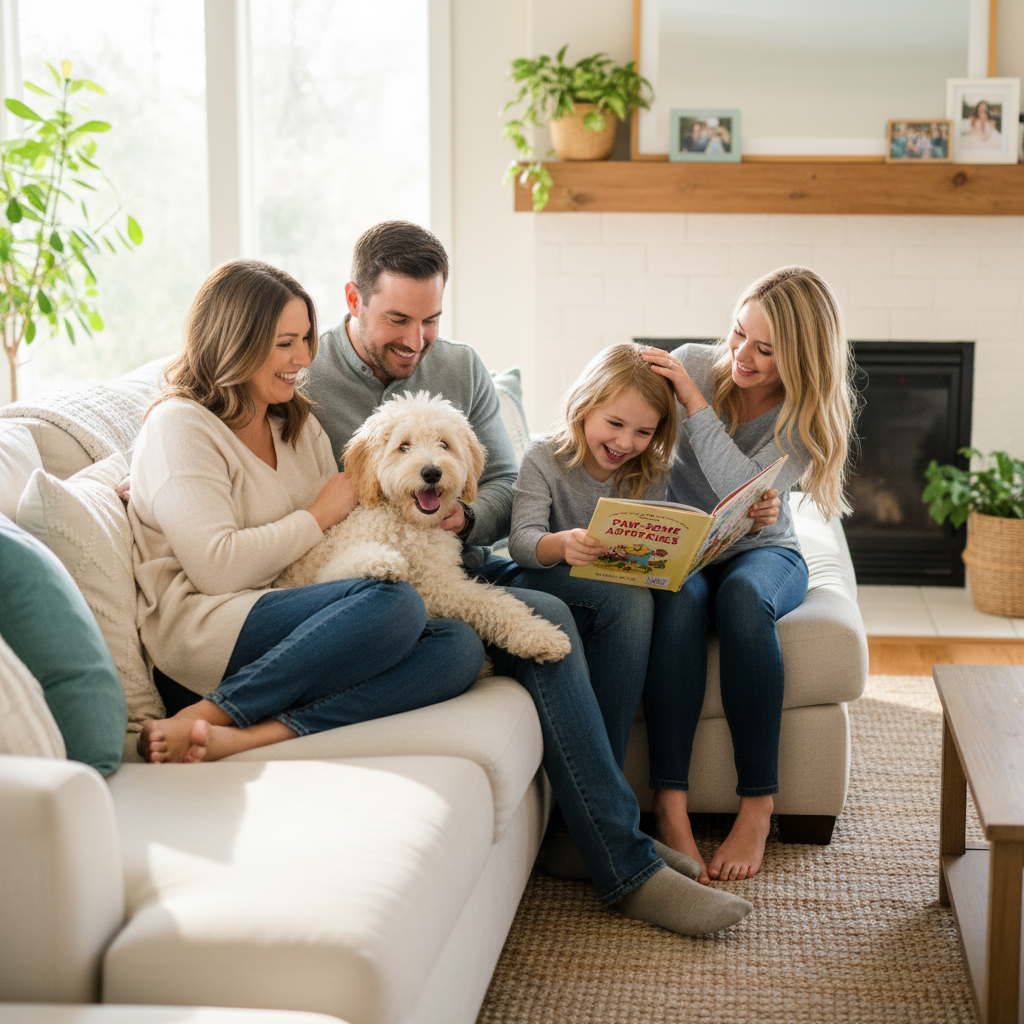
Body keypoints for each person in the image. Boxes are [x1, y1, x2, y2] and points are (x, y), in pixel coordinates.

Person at [304, 220, 753, 936]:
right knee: (558, 622)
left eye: (430, 320)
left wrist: (464, 517)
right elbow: (214, 399)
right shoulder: (305, 378)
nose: (417, 342)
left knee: (620, 600)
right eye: (397, 320)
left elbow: (506, 482)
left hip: (471, 556)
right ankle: (623, 859)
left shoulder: (459, 367)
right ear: (354, 299)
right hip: (386, 585)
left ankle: (585, 828)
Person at [129, 259, 486, 764]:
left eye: (305, 339)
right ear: (233, 342)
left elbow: (341, 534)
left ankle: (254, 735)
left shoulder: (295, 422)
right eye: (283, 343)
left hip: (301, 608)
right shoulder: (180, 426)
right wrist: (318, 513)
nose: (303, 358)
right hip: (209, 630)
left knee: (459, 646)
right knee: (396, 602)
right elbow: (217, 570)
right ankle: (208, 713)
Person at [641, 266, 856, 886]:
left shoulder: (805, 421)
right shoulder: (689, 363)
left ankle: (758, 805)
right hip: (689, 547)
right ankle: (671, 804)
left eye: (765, 350)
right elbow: (628, 435)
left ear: (803, 360)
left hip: (764, 550)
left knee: (741, 599)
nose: (742, 357)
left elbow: (741, 487)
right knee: (679, 600)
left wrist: (695, 403)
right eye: (738, 335)